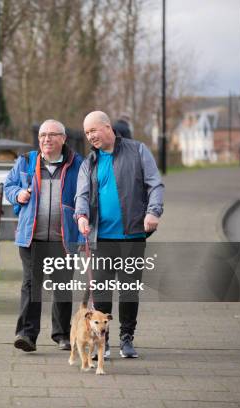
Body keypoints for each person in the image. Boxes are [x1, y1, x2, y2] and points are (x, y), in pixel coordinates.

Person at [75, 111, 164, 359]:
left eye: (93, 130)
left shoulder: (137, 151)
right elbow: (81, 195)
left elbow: (155, 184)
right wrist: (81, 216)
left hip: (133, 236)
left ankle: (127, 338)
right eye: (87, 133)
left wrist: (153, 212)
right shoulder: (89, 162)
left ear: (107, 127)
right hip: (101, 239)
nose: (90, 136)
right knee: (101, 292)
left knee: (129, 290)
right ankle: (102, 342)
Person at [5, 119, 83, 352]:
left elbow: (87, 193)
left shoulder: (77, 164)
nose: (46, 139)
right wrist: (18, 194)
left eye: (52, 135)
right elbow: (8, 186)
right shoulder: (26, 161)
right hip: (32, 236)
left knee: (62, 286)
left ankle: (61, 335)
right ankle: (26, 335)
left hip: (63, 236)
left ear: (63, 138)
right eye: (42, 135)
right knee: (31, 285)